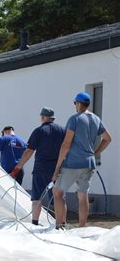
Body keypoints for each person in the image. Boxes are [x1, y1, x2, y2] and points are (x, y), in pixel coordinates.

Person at [52, 92, 111, 229]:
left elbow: (66, 144)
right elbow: (108, 138)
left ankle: (59, 226)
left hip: (73, 163)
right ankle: (82, 228)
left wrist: (57, 168)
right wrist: (95, 153)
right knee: (83, 195)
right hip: (89, 163)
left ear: (78, 104)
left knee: (57, 192)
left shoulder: (75, 119)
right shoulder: (96, 119)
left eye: (74, 103)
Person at [14, 107, 66, 225]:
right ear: (53, 118)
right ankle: (62, 224)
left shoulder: (39, 131)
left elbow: (29, 151)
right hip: (58, 169)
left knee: (37, 197)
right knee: (59, 198)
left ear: (43, 117)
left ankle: (35, 223)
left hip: (41, 168)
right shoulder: (63, 130)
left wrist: (20, 165)